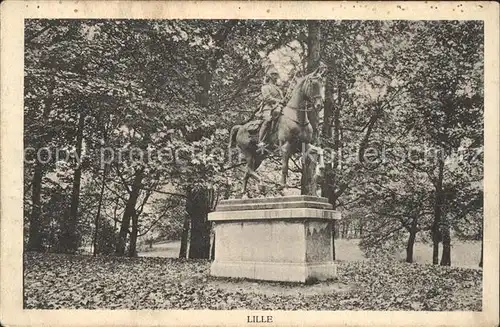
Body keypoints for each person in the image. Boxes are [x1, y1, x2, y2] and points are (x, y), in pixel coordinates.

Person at [257, 66, 284, 151]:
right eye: (274, 75)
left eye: (276, 75)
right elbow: (267, 98)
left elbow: (282, 99)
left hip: (279, 107)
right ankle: (260, 141)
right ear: (270, 76)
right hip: (268, 108)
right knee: (267, 121)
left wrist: (284, 100)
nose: (276, 77)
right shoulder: (265, 87)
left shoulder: (278, 89)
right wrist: (278, 101)